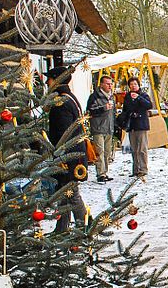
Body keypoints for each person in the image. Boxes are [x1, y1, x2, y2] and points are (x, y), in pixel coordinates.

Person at [44, 66, 88, 232]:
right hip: (73, 153)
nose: (47, 82)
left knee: (71, 192)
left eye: (49, 79)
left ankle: (85, 224)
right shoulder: (70, 97)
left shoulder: (61, 102)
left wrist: (60, 155)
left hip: (69, 155)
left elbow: (64, 134)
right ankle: (61, 228)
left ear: (57, 80)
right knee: (65, 192)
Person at [119, 76, 153, 177]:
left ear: (138, 85)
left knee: (142, 148)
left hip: (141, 125)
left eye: (135, 84)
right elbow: (125, 109)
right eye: (131, 84)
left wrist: (138, 98)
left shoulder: (143, 95)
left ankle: (143, 169)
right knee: (134, 149)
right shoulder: (127, 96)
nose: (133, 86)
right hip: (132, 125)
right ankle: (135, 169)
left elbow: (149, 105)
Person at [86, 74, 116, 182]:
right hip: (98, 128)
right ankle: (100, 174)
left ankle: (105, 172)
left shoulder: (112, 96)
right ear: (101, 84)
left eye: (111, 84)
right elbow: (90, 111)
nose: (110, 86)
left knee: (107, 152)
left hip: (109, 128)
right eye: (107, 84)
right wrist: (103, 108)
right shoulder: (94, 97)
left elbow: (113, 113)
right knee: (100, 152)